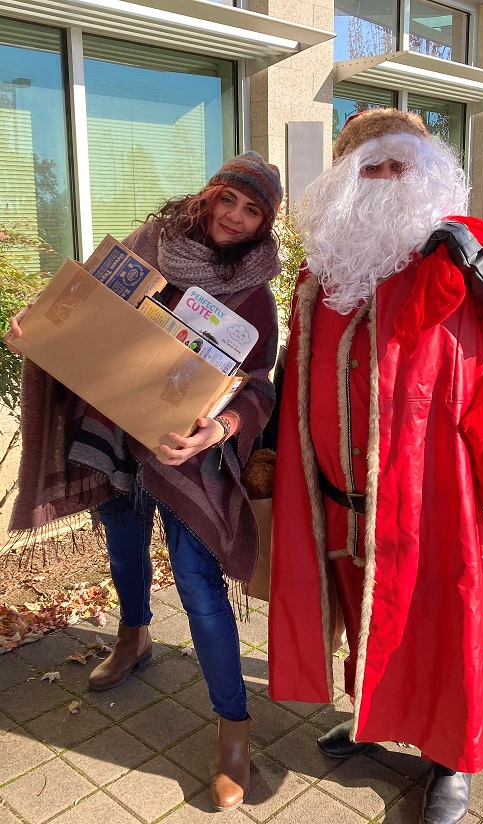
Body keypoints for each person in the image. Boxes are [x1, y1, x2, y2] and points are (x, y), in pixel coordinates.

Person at [267, 108, 483, 824]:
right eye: (372, 167)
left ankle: (453, 759)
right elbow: (296, 370)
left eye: (401, 165)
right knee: (368, 618)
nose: (388, 179)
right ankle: (373, 716)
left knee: (446, 627)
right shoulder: (324, 270)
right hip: (338, 498)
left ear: (430, 175)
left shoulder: (462, 251)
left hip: (432, 501)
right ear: (344, 181)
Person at [5, 151, 282, 812]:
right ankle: (134, 636)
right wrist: (35, 327)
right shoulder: (148, 246)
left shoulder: (255, 292)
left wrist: (221, 430)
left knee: (197, 584)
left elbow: (260, 386)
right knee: (124, 551)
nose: (236, 219)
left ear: (263, 225)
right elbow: (79, 309)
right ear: (208, 196)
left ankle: (234, 733)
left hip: (187, 455)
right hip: (113, 436)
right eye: (230, 201)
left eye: (253, 212)